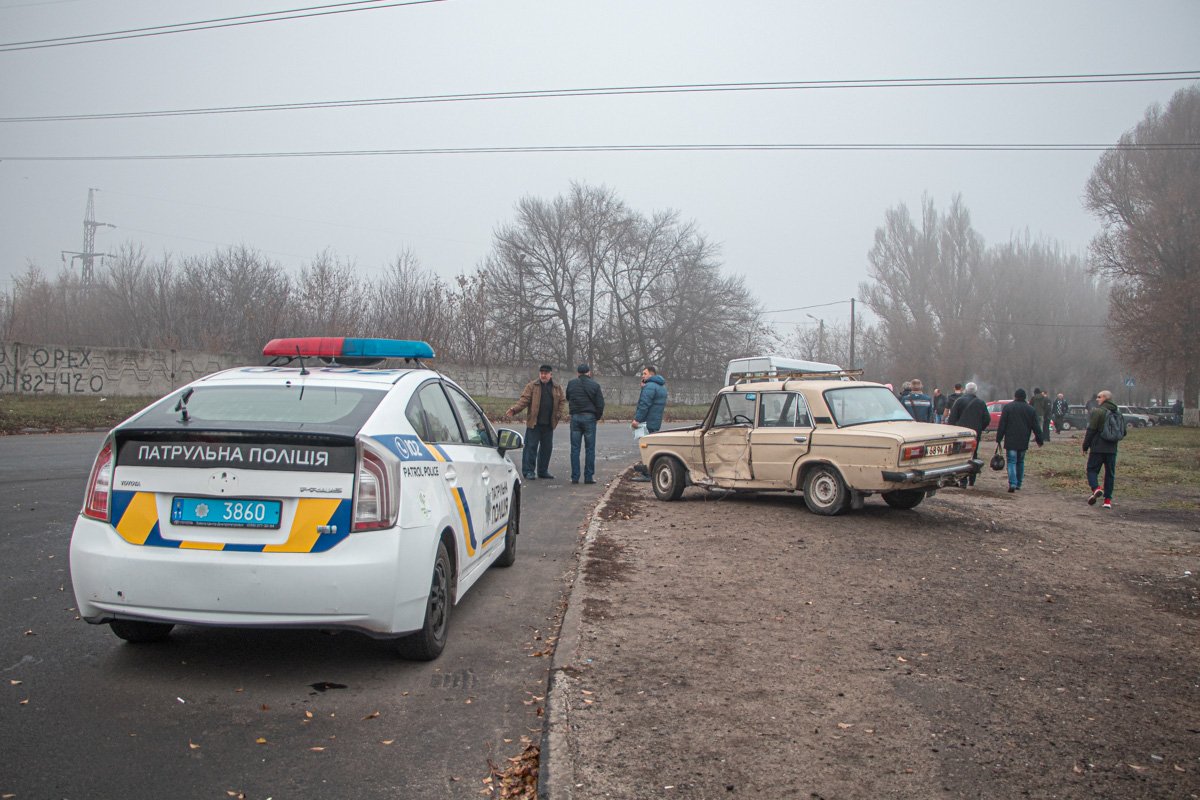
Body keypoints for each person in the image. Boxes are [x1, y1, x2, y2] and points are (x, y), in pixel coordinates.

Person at [506, 364, 565, 480]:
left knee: (546, 449)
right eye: (541, 373)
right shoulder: (532, 386)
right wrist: (514, 409)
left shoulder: (557, 387)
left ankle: (543, 471)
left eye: (545, 373)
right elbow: (524, 400)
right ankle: (528, 471)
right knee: (530, 448)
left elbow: (562, 401)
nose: (543, 375)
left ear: (550, 374)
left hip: (549, 424)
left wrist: (558, 414)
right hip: (534, 423)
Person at [995, 388, 1043, 493]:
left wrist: (999, 438)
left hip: (1011, 440)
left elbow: (1002, 424)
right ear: (1025, 397)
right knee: (1020, 461)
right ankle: (1018, 483)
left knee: (1011, 461)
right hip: (1023, 439)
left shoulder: (1008, 407)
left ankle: (1012, 483)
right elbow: (1036, 426)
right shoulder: (1030, 409)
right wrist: (1040, 440)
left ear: (1015, 396)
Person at [565, 364, 605, 485]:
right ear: (589, 373)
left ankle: (575, 477)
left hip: (575, 417)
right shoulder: (595, 385)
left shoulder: (571, 384)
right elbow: (600, 404)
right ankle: (588, 477)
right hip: (589, 417)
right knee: (590, 449)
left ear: (577, 373)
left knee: (575, 449)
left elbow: (568, 397)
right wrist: (596, 417)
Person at [1083, 389, 1120, 509]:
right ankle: (1107, 501)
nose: (1097, 399)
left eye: (1099, 397)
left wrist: (1085, 446)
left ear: (1105, 398)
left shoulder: (1098, 412)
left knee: (1091, 470)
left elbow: (1091, 430)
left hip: (1097, 447)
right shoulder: (1118, 412)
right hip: (1112, 448)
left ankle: (1096, 489)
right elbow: (1122, 431)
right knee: (1110, 474)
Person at [630, 364, 668, 482]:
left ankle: (647, 474)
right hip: (655, 421)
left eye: (644, 373)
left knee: (646, 448)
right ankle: (651, 471)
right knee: (652, 447)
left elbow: (644, 404)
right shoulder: (661, 387)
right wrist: (643, 388)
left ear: (651, 374)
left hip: (647, 422)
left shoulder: (650, 386)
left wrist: (637, 419)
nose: (642, 376)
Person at [948, 381, 989, 486]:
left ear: (966, 390)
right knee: (973, 454)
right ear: (976, 391)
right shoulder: (981, 403)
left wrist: (952, 430)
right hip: (975, 433)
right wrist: (980, 428)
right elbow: (987, 419)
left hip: (961, 433)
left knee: (960, 455)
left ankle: (962, 480)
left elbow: (952, 418)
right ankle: (972, 479)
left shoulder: (959, 401)